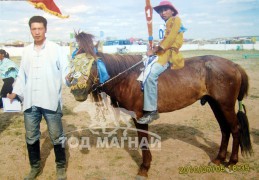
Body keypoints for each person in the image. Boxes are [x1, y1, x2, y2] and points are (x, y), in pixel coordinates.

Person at [7, 16, 69, 180]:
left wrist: (71, 79)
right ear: (30, 30)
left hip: (50, 100)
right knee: (31, 136)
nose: (37, 32)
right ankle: (35, 167)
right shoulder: (26, 51)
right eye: (33, 29)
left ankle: (61, 167)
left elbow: (66, 72)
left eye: (39, 28)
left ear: (45, 29)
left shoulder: (56, 49)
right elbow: (21, 76)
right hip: (30, 102)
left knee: (56, 136)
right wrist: (14, 93)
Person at [138, 0, 186, 124]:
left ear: (172, 11)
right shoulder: (167, 23)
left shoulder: (176, 20)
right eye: (160, 11)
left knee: (150, 76)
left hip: (169, 55)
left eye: (165, 10)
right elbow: (165, 40)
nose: (162, 13)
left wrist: (155, 50)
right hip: (162, 53)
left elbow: (170, 39)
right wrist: (154, 48)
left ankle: (152, 111)